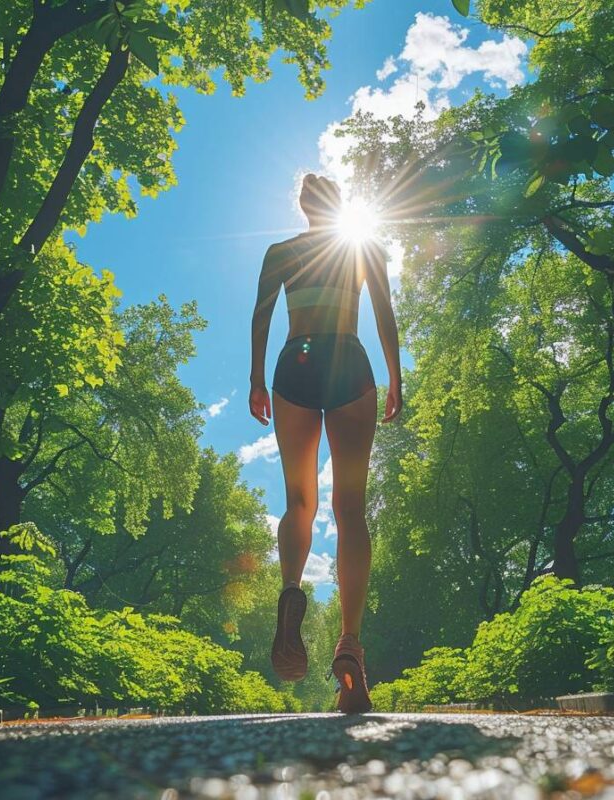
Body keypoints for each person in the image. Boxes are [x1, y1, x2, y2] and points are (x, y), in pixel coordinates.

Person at [248, 173, 402, 714]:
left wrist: (256, 380)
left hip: (295, 362)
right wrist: (396, 378)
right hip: (348, 362)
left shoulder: (281, 251)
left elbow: (261, 314)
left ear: (304, 208)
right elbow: (384, 314)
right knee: (351, 508)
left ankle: (292, 586)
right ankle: (350, 645)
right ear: (340, 206)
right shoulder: (363, 247)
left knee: (299, 501)